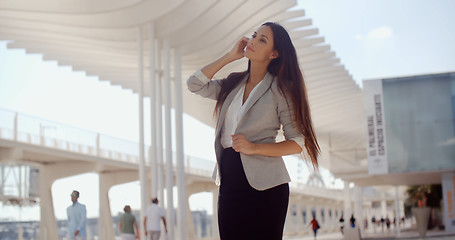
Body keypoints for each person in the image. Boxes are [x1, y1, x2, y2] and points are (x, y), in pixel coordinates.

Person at [187, 22, 320, 239]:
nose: (253, 41)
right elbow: (195, 84)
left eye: (262, 40)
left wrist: (254, 147)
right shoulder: (231, 83)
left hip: (267, 186)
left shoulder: (280, 89)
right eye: (254, 35)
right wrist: (230, 56)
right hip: (229, 181)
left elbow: (297, 141)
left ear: (274, 53)